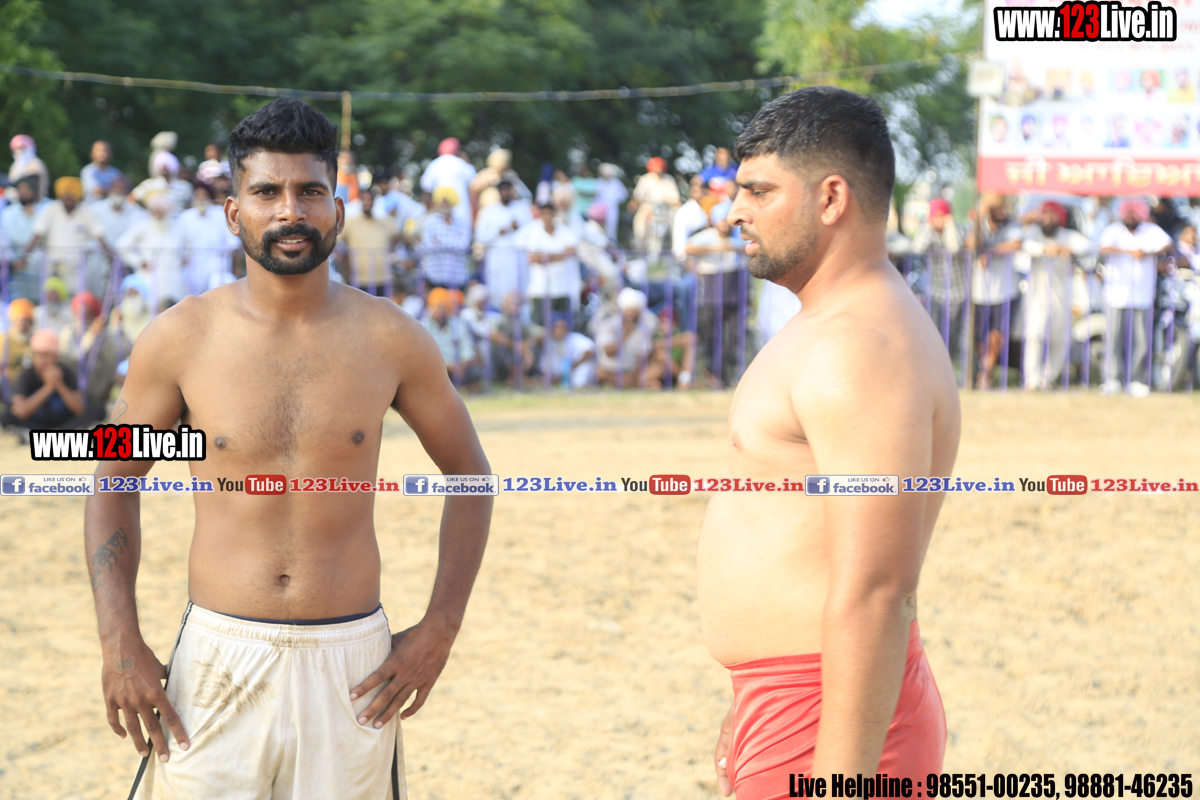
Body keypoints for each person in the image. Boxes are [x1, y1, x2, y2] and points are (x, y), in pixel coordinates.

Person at [86, 98, 492, 798]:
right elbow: (111, 480)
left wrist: (442, 627)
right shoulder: (178, 338)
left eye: (309, 191)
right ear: (233, 211)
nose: (289, 211)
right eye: (267, 192)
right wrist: (118, 638)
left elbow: (470, 476)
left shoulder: (393, 338)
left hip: (352, 666)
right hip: (218, 657)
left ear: (337, 209)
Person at [704, 86, 959, 797]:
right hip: (795, 700)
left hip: (823, 713)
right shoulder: (833, 324)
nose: (735, 211)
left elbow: (878, 589)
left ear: (831, 198)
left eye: (759, 191)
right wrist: (753, 700)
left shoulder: (858, 345)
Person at [1097, 199, 1172, 396]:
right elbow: (1103, 248)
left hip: (1142, 294)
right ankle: (1112, 379)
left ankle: (1136, 379)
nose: (1130, 217)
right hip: (1115, 294)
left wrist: (1147, 252)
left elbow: (1167, 245)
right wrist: (1128, 252)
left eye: (1134, 213)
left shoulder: (1151, 231)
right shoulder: (1114, 230)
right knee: (1113, 338)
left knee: (1141, 340)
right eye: (1127, 213)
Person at [1020, 201, 1094, 390]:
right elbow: (1026, 245)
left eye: (1052, 215)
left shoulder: (1068, 236)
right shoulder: (1034, 234)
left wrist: (1068, 250)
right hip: (1037, 295)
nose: (1047, 219)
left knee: (1061, 339)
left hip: (1061, 295)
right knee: (1035, 336)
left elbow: (1088, 246)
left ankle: (1047, 378)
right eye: (1045, 215)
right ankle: (1031, 380)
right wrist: (1045, 250)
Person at [965, 192, 1023, 388]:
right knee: (980, 336)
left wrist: (989, 252)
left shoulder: (1011, 223)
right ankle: (984, 370)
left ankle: (986, 371)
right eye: (997, 208)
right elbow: (971, 245)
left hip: (1005, 289)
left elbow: (1016, 244)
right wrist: (980, 215)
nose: (1002, 211)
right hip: (980, 291)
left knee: (998, 334)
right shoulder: (978, 223)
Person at [2, 327, 104, 431]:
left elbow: (80, 410)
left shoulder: (67, 372)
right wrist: (48, 387)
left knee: (98, 411)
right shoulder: (26, 375)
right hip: (36, 424)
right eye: (37, 355)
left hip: (65, 423)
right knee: (6, 417)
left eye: (46, 355)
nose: (41, 360)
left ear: (56, 357)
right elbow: (21, 411)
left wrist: (59, 384)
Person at [25, 177, 113, 296]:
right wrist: (24, 256)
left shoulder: (86, 211)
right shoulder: (50, 209)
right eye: (66, 194)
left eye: (72, 194)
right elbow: (37, 234)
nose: (69, 197)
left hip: (78, 270)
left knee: (76, 300)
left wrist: (112, 257)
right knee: (52, 299)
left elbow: (100, 236)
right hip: (53, 267)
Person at [909, 198, 966, 359]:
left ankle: (948, 363)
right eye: (935, 216)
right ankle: (935, 361)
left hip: (956, 294)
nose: (938, 220)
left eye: (942, 216)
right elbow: (917, 249)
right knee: (934, 333)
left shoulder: (957, 230)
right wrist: (928, 227)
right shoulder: (929, 234)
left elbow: (954, 248)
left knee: (952, 336)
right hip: (935, 292)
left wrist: (949, 226)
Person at [117, 193, 186, 306]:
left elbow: (189, 247)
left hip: (173, 280)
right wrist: (139, 261)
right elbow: (122, 245)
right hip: (149, 277)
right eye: (155, 209)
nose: (158, 212)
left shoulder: (177, 228)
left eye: (161, 209)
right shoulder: (143, 226)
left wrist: (186, 257)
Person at [520, 203, 580, 327]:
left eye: (549, 213)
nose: (547, 217)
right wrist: (561, 254)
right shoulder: (533, 232)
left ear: (554, 215)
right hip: (541, 289)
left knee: (564, 326)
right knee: (539, 327)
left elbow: (571, 251)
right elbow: (533, 258)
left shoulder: (565, 231)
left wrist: (546, 256)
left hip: (564, 288)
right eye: (544, 214)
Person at [178, 182, 241, 293]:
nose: (201, 199)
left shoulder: (220, 214)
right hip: (193, 268)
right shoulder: (185, 217)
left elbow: (233, 242)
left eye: (204, 195)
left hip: (217, 267)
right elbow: (179, 244)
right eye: (198, 195)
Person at [474, 180, 532, 300]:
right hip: (497, 258)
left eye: (508, 190)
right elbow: (480, 236)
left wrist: (518, 227)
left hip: (518, 258)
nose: (506, 193)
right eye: (503, 190)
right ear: (499, 192)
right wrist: (498, 231)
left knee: (520, 288)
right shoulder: (489, 211)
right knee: (497, 289)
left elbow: (532, 231)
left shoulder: (522, 208)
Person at [339, 190, 398, 296]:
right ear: (360, 201)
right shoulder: (351, 223)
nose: (367, 202)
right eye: (364, 199)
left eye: (370, 199)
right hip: (360, 280)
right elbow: (336, 241)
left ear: (374, 202)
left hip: (383, 279)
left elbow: (398, 236)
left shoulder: (382, 223)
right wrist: (344, 266)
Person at [0, 176, 48, 301]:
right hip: (15, 265)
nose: (23, 192)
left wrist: (33, 217)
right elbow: (10, 238)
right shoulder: (9, 212)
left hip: (39, 265)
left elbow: (41, 236)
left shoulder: (43, 210)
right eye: (20, 189)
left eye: (27, 189)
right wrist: (14, 261)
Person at [421, 287, 481, 387]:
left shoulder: (458, 324)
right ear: (431, 308)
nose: (440, 311)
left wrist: (462, 367)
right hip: (435, 368)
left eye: (444, 307)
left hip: (456, 368)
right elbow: (423, 356)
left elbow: (467, 351)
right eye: (437, 307)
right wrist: (447, 366)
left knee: (476, 372)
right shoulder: (423, 326)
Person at [596, 287, 655, 387]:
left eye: (634, 311)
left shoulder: (644, 328)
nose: (631, 315)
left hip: (632, 372)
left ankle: (628, 382)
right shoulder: (609, 325)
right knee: (598, 372)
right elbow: (608, 352)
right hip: (610, 371)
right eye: (628, 311)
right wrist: (625, 334)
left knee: (653, 381)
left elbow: (643, 357)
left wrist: (632, 376)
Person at [416, 187, 473, 290]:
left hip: (458, 277)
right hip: (435, 276)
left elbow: (463, 245)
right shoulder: (430, 222)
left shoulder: (462, 222)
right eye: (442, 202)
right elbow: (428, 245)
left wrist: (439, 242)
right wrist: (454, 242)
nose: (445, 205)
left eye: (447, 202)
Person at [628, 157, 681, 257]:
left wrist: (680, 208)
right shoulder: (646, 179)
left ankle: (672, 252)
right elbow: (637, 196)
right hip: (647, 207)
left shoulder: (669, 180)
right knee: (639, 227)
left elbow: (675, 199)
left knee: (674, 227)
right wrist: (633, 204)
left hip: (665, 209)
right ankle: (640, 249)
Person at [420, 138, 477, 225]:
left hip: (439, 212)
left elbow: (426, 188)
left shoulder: (434, 164)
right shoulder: (462, 163)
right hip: (462, 212)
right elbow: (474, 184)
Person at [540, 313, 596, 388]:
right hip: (559, 378)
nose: (561, 330)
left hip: (576, 374)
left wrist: (572, 366)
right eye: (558, 327)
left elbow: (590, 351)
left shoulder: (574, 338)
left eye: (564, 327)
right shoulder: (549, 344)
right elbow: (543, 367)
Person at [7, 135, 49, 202]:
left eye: (23, 149)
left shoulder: (37, 164)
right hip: (16, 202)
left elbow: (38, 187)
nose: (19, 152)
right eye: (17, 149)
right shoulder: (14, 166)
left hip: (36, 202)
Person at [593, 163, 628, 244]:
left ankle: (612, 246)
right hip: (599, 210)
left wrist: (616, 200)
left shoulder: (616, 183)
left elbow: (624, 194)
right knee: (598, 228)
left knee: (611, 228)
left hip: (612, 209)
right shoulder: (597, 182)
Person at [4, 297, 35, 384]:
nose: (22, 324)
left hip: (31, 383)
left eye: (26, 320)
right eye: (18, 320)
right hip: (9, 382)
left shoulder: (37, 339)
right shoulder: (4, 340)